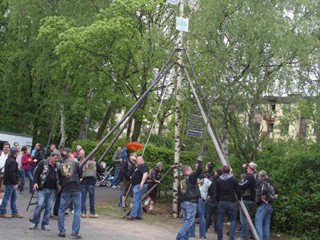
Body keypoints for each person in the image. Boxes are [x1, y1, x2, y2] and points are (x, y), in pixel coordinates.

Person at [29, 151, 60, 230]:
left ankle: (45, 224)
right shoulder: (43, 163)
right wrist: (35, 182)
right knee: (39, 205)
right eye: (55, 158)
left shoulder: (58, 166)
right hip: (42, 188)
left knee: (49, 208)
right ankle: (34, 223)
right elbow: (36, 173)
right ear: (50, 157)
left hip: (53, 190)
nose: (56, 160)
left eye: (57, 159)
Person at [57, 148, 82, 239]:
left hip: (66, 188)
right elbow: (80, 174)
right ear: (69, 154)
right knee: (77, 210)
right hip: (76, 187)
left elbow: (60, 178)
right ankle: (75, 232)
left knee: (61, 210)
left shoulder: (59, 167)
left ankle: (62, 231)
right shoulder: (75, 163)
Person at [176, 158, 202, 240]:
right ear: (187, 171)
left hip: (184, 202)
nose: (192, 171)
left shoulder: (182, 180)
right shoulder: (191, 178)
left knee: (186, 220)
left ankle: (185, 237)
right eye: (190, 170)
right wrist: (200, 161)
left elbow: (180, 192)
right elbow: (199, 170)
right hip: (191, 202)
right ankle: (180, 236)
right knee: (189, 221)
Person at [215, 165, 241, 240]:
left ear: (222, 171)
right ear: (229, 171)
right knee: (233, 220)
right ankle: (231, 238)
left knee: (220, 219)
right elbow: (237, 190)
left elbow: (216, 192)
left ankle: (220, 237)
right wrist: (239, 198)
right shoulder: (233, 179)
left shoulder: (219, 180)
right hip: (231, 202)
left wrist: (217, 201)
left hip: (221, 201)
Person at [0, 146, 24, 218]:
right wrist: (15, 183)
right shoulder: (13, 161)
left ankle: (14, 212)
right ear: (15, 153)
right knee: (7, 197)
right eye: (17, 152)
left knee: (14, 197)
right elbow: (12, 173)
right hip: (11, 182)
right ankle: (2, 212)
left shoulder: (9, 159)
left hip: (8, 181)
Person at [255, 170, 278, 240]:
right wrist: (273, 200)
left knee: (258, 224)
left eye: (259, 176)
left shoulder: (263, 183)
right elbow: (277, 193)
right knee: (266, 225)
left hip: (263, 206)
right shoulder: (271, 183)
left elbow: (264, 191)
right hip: (270, 206)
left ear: (261, 177)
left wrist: (263, 199)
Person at [238, 162, 258, 240]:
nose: (247, 168)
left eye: (248, 167)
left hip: (247, 199)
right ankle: (250, 235)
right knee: (248, 219)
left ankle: (244, 236)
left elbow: (243, 185)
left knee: (244, 219)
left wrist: (236, 183)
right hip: (251, 199)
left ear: (250, 168)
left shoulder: (250, 176)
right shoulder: (253, 176)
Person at [126, 156, 148, 220]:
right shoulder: (139, 166)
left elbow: (145, 174)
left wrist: (142, 183)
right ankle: (139, 215)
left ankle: (133, 215)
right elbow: (135, 160)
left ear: (141, 160)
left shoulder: (143, 166)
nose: (136, 161)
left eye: (137, 160)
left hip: (139, 185)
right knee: (138, 200)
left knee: (136, 200)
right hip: (137, 185)